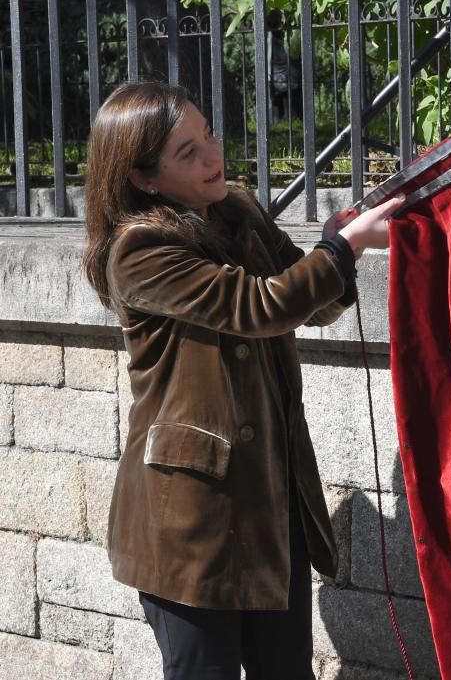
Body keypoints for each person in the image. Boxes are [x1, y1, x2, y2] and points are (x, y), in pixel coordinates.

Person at [82, 81, 403, 680]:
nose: (213, 156)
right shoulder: (139, 248)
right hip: (190, 520)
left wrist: (338, 242)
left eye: (209, 136)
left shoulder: (239, 209)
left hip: (268, 500)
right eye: (188, 152)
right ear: (144, 178)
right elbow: (259, 307)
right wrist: (343, 249)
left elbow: (310, 302)